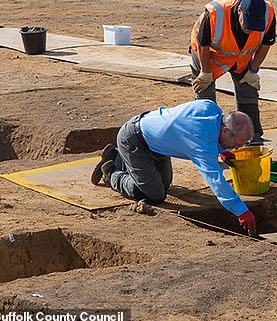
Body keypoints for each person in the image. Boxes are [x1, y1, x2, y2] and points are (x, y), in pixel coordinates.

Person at [90, 99, 257, 235]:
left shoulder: (211, 108)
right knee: (154, 195)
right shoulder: (201, 143)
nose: (235, 148)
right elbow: (216, 182)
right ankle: (111, 172)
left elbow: (206, 134)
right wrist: (241, 211)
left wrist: (222, 150)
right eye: (235, 144)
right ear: (226, 131)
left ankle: (118, 156)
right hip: (135, 141)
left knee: (165, 184)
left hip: (156, 146)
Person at [190, 0, 276, 143]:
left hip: (242, 56)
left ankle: (251, 136)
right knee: (206, 100)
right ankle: (208, 138)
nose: (250, 30)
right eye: (248, 25)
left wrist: (253, 71)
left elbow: (266, 43)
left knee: (248, 91)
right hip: (209, 56)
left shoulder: (268, 12)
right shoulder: (215, 13)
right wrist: (205, 73)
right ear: (240, 11)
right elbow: (203, 45)